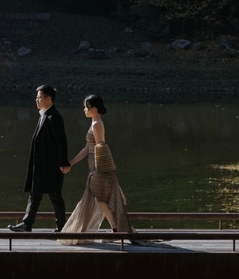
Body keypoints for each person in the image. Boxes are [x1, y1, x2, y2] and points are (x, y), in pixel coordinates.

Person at [58, 94, 141, 245]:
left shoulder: (96, 124)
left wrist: (98, 169)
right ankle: (115, 230)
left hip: (98, 170)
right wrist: (71, 163)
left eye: (87, 107)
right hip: (95, 169)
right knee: (100, 200)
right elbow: (87, 148)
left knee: (100, 199)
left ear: (94, 108)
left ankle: (116, 230)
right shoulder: (94, 123)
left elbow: (100, 146)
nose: (84, 110)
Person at [9, 85, 70, 232]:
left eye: (39, 97)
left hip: (51, 166)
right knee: (35, 194)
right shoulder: (44, 114)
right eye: (36, 97)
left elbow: (61, 141)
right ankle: (27, 224)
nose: (36, 100)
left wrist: (63, 163)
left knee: (55, 195)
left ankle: (61, 226)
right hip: (41, 165)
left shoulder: (54, 116)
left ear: (48, 99)